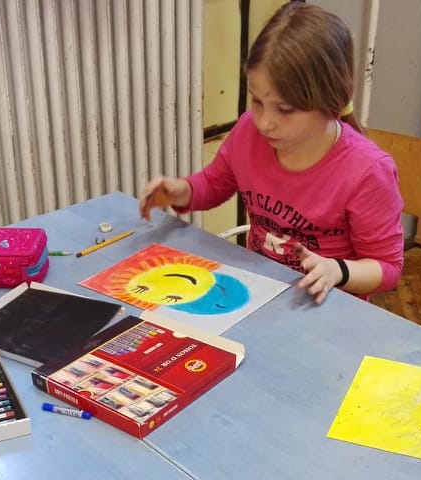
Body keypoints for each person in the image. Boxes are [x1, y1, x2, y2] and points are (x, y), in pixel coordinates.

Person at [140, 2, 404, 304]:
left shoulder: (367, 171)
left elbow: (388, 267)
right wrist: (180, 191)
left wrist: (337, 270)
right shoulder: (248, 132)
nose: (265, 122)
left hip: (328, 309)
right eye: (257, 101)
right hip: (260, 294)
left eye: (285, 109)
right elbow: (214, 184)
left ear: (331, 100)